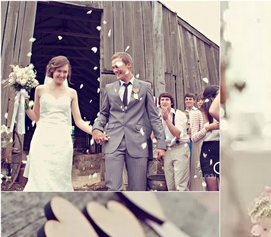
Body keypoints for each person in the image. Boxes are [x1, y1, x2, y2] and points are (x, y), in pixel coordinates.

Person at [92, 52, 165, 191]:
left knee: (137, 188)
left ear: (129, 65)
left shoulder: (144, 87)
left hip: (138, 141)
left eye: (117, 66)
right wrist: (97, 128)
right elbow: (104, 114)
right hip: (113, 141)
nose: (114, 70)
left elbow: (154, 117)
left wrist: (161, 144)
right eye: (113, 67)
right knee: (113, 187)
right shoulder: (110, 88)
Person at [23, 56, 93, 191]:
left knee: (60, 177)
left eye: (65, 72)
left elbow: (78, 121)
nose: (62, 75)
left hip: (62, 140)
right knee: (40, 176)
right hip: (42, 139)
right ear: (52, 71)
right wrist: (25, 106)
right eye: (59, 71)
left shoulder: (72, 93)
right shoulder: (40, 90)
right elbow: (35, 117)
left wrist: (94, 131)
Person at [159, 92, 189, 191]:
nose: (164, 102)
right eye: (162, 100)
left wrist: (166, 119)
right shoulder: (158, 116)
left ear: (171, 102)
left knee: (180, 185)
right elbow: (153, 136)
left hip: (180, 148)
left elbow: (178, 134)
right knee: (170, 185)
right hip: (167, 150)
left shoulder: (179, 114)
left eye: (167, 99)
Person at [191, 85, 220, 191]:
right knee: (212, 186)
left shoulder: (222, 111)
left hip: (221, 148)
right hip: (208, 150)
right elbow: (193, 138)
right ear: (212, 97)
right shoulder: (198, 113)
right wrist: (207, 128)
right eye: (217, 95)